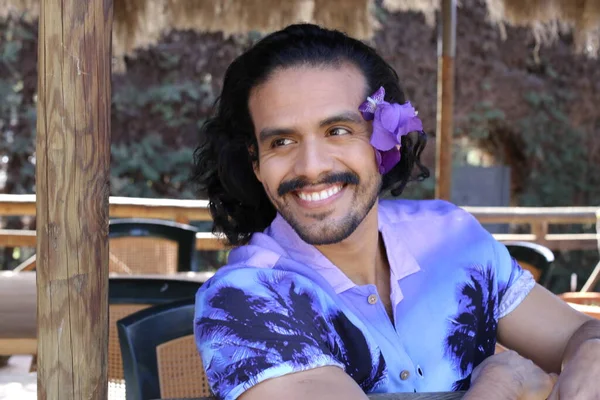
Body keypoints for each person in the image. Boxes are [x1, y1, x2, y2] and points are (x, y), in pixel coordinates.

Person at [191, 24, 600, 400]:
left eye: (338, 131)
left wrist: (588, 351)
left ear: (387, 141)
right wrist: (503, 384)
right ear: (256, 162)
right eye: (281, 141)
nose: (311, 166)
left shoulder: (453, 238)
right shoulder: (244, 300)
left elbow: (580, 332)